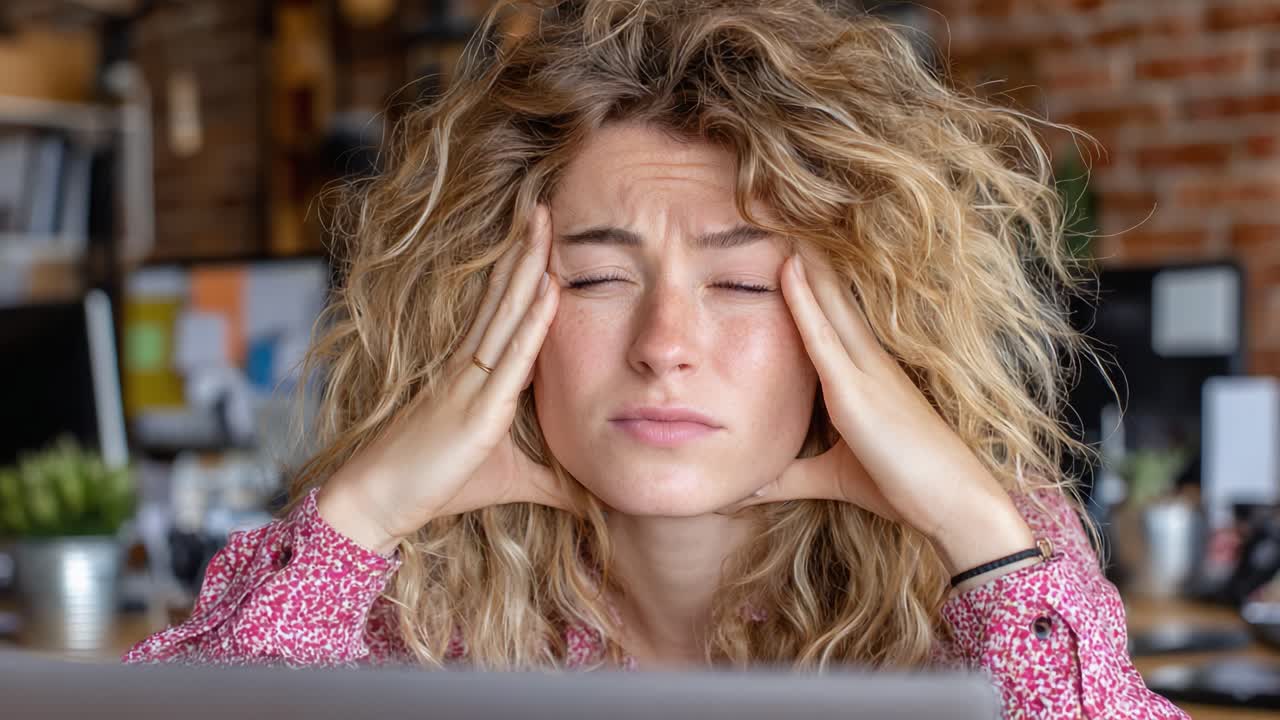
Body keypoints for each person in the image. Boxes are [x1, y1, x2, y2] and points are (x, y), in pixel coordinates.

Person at [124, 0, 1186, 717]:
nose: (664, 348)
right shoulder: (404, 601)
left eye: (741, 285)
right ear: (489, 311)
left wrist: (974, 528)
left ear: (865, 326)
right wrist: (361, 513)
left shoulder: (994, 570)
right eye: (596, 278)